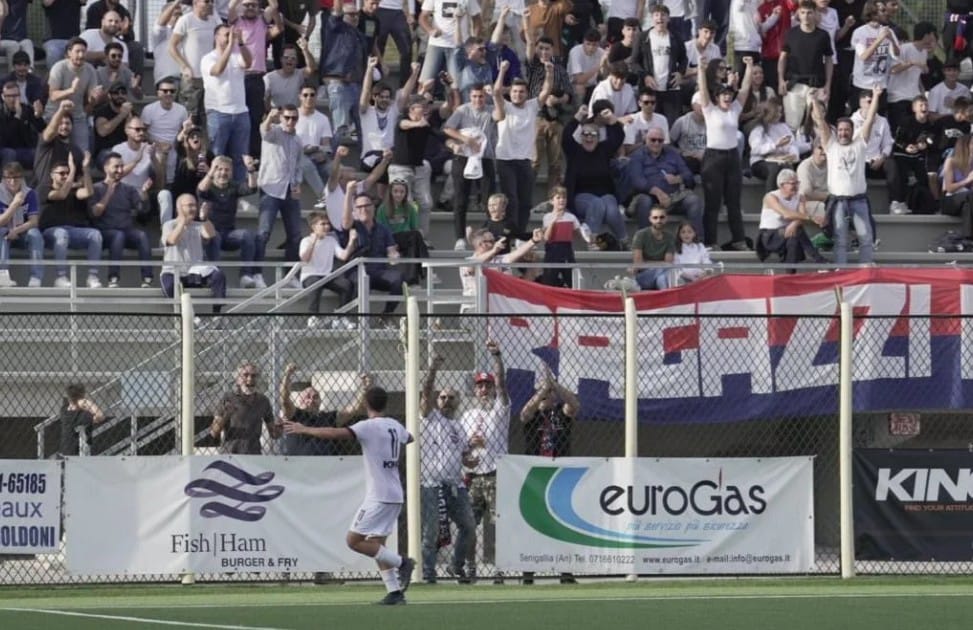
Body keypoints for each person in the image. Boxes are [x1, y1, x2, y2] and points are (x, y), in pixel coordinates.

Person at [282, 385, 416, 606]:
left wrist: (304, 429)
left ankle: (403, 563)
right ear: (386, 404)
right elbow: (408, 438)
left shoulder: (368, 426)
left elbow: (335, 432)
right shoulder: (395, 425)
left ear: (365, 404)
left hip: (379, 495)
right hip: (395, 494)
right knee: (377, 545)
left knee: (353, 541)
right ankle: (394, 592)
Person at [418, 353, 478, 584]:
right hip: (431, 483)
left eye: (451, 397)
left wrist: (470, 461)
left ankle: (456, 566)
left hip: (455, 484)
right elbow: (426, 392)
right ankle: (428, 573)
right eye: (442, 397)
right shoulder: (429, 417)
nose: (446, 400)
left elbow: (464, 456)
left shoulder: (459, 427)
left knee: (469, 527)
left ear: (458, 402)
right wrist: (433, 367)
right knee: (431, 530)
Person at [519, 363, 580, 585]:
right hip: (535, 477)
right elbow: (524, 413)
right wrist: (543, 390)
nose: (547, 397)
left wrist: (555, 385)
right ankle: (528, 571)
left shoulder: (560, 414)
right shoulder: (534, 416)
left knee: (563, 523)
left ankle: (565, 571)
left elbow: (573, 405)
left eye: (550, 394)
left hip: (559, 475)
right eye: (544, 394)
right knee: (532, 523)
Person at [812, 84, 882, 265]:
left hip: (858, 200)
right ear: (837, 131)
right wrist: (813, 100)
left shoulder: (859, 144)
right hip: (838, 201)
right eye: (840, 130)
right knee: (841, 240)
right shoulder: (831, 145)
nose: (843, 133)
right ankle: (840, 272)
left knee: (866, 237)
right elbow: (820, 122)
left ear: (852, 131)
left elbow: (870, 119)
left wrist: (875, 96)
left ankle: (865, 269)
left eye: (847, 130)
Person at [459, 340, 510, 584]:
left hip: (496, 473)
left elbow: (501, 384)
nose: (484, 390)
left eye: (487, 385)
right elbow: (461, 447)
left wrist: (496, 356)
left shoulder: (500, 409)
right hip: (473, 475)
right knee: (469, 524)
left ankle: (500, 569)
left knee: (498, 523)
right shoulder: (467, 415)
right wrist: (469, 448)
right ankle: (470, 567)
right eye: (480, 386)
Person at [697, 53, 754, 250]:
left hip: (732, 158)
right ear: (717, 97)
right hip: (713, 158)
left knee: (733, 202)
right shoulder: (709, 110)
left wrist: (749, 67)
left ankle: (739, 239)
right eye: (724, 95)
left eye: (729, 95)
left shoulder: (735, 110)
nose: (728, 97)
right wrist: (701, 70)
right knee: (713, 203)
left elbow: (745, 89)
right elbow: (703, 90)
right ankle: (711, 241)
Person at [493, 59, 553, 234]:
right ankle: (510, 232)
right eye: (515, 91)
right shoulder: (506, 106)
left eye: (521, 92)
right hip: (506, 160)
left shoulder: (532, 106)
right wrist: (503, 71)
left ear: (526, 94)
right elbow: (496, 91)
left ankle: (520, 232)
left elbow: (546, 90)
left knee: (526, 201)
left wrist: (549, 71)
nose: (518, 95)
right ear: (510, 93)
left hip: (525, 160)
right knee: (511, 198)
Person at [563, 107, 628, 246]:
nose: (589, 137)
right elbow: (566, 136)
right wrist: (578, 116)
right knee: (597, 203)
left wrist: (611, 119)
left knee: (611, 209)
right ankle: (592, 241)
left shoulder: (604, 150)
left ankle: (624, 241)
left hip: (605, 194)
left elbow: (618, 137)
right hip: (581, 196)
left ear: (598, 138)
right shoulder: (574, 151)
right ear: (581, 137)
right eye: (585, 134)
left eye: (593, 134)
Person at [37, 152, 102, 289]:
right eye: (62, 173)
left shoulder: (73, 190)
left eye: (67, 173)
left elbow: (89, 192)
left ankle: (92, 276)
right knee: (61, 233)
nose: (66, 176)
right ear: (52, 175)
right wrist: (73, 170)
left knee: (95, 234)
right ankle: (61, 276)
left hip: (73, 231)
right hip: (51, 233)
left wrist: (85, 169)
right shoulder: (44, 189)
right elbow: (61, 195)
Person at [444, 82, 497, 250]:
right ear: (470, 96)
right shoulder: (462, 110)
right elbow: (447, 128)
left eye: (481, 96)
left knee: (489, 199)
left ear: (485, 96)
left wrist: (495, 95)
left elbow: (501, 114)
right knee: (461, 198)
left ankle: (488, 235)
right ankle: (460, 237)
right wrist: (466, 139)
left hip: (485, 158)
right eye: (474, 96)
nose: (477, 100)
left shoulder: (490, 110)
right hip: (463, 157)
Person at [196, 154, 263, 288]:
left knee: (248, 235)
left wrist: (250, 169)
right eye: (219, 169)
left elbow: (252, 188)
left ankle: (246, 276)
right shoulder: (208, 187)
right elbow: (201, 190)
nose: (223, 173)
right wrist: (211, 171)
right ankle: (214, 277)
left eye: (227, 170)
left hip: (229, 234)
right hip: (211, 235)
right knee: (214, 236)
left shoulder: (233, 186)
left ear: (231, 172)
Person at [341, 181, 405, 320]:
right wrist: (349, 193)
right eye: (360, 207)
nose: (364, 209)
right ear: (355, 211)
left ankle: (386, 316)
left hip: (378, 271)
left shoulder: (383, 229)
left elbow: (391, 251)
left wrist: (394, 255)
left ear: (373, 207)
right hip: (356, 271)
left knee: (398, 278)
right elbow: (345, 222)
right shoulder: (354, 226)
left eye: (367, 205)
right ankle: (356, 320)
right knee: (364, 281)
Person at [89, 152, 153, 288]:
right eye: (116, 167)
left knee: (141, 236)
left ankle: (147, 278)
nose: (120, 170)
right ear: (106, 168)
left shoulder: (128, 189)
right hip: (106, 232)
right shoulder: (96, 188)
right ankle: (113, 278)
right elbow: (95, 213)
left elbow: (142, 210)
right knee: (118, 236)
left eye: (121, 167)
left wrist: (144, 194)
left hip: (126, 230)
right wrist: (109, 193)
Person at [230, 0, 283, 159]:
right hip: (237, 77)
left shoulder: (262, 23)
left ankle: (253, 155)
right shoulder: (235, 21)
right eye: (246, 4)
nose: (250, 7)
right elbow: (232, 6)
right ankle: (236, 154)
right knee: (237, 118)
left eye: (253, 4)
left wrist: (272, 11)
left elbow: (274, 10)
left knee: (255, 117)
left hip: (257, 78)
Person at [627, 127, 703, 235]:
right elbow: (637, 180)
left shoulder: (672, 154)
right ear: (646, 140)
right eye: (653, 140)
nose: (657, 143)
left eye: (660, 140)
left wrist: (678, 178)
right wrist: (658, 192)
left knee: (693, 200)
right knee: (644, 201)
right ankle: (645, 241)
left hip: (673, 198)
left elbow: (688, 175)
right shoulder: (638, 155)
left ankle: (697, 243)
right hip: (649, 198)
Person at [257, 105, 304, 282]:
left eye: (294, 118)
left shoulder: (298, 140)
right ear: (281, 118)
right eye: (287, 117)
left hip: (290, 191)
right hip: (270, 189)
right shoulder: (274, 132)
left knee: (295, 235)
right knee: (263, 233)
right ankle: (256, 274)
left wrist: (297, 183)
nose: (291, 121)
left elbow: (299, 164)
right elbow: (264, 130)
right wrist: (270, 117)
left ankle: (290, 276)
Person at [279, 364, 368, 456]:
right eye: (307, 397)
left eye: (316, 397)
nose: (311, 400)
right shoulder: (295, 415)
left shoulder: (328, 417)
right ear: (300, 400)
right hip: (298, 464)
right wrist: (288, 375)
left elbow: (353, 409)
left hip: (326, 464)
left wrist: (364, 390)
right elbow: (284, 399)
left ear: (321, 401)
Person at [201, 24, 253, 182]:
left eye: (231, 34)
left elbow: (248, 63)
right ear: (216, 37)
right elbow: (217, 70)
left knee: (240, 157)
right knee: (217, 156)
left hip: (240, 112)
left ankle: (238, 192)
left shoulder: (235, 56)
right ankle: (213, 193)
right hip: (218, 112)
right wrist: (231, 45)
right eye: (226, 34)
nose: (230, 37)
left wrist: (241, 43)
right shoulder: (208, 58)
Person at [160, 193, 227, 312]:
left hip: (194, 271)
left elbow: (210, 235)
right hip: (174, 272)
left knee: (218, 276)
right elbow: (171, 240)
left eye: (195, 206)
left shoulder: (199, 225)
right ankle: (187, 315)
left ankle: (217, 314)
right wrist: (182, 223)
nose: (193, 209)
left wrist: (205, 219)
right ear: (179, 208)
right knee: (168, 286)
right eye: (189, 206)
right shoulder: (169, 225)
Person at [778, 0, 833, 133]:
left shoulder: (823, 35)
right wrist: (780, 80)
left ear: (815, 14)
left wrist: (827, 85)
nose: (806, 16)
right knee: (792, 124)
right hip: (794, 84)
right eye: (803, 12)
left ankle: (819, 153)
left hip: (816, 84)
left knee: (818, 125)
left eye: (809, 13)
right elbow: (782, 58)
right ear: (798, 14)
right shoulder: (790, 34)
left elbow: (829, 60)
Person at [756, 168, 826, 267]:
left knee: (794, 236)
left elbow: (801, 216)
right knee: (797, 232)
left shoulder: (800, 197)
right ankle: (819, 260)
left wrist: (794, 223)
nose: (796, 186)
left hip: (788, 232)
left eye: (797, 183)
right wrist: (811, 217)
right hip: (769, 235)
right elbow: (786, 214)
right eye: (792, 184)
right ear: (781, 185)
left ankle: (790, 273)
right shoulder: (771, 197)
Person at [630, 4, 687, 126]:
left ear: (668, 18)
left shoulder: (676, 37)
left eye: (663, 15)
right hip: (650, 90)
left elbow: (684, 59)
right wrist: (645, 76)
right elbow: (633, 62)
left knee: (671, 125)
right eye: (656, 15)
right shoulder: (642, 37)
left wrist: (680, 73)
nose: (660, 18)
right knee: (649, 126)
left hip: (671, 89)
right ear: (652, 18)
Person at [320, 2, 369, 141]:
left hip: (357, 85)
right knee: (340, 128)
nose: (355, 17)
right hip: (339, 84)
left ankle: (363, 161)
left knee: (362, 129)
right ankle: (335, 161)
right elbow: (335, 12)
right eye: (351, 14)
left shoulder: (359, 34)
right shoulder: (335, 27)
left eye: (357, 14)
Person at [300, 211, 357, 329]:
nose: (327, 227)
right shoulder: (305, 241)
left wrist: (351, 241)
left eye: (327, 224)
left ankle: (341, 317)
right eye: (323, 224)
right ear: (313, 226)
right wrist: (313, 241)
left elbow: (343, 256)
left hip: (327, 276)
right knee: (315, 283)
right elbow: (305, 258)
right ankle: (313, 317)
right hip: (310, 275)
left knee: (346, 285)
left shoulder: (331, 240)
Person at [45, 37, 100, 153]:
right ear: (69, 53)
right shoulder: (59, 67)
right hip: (55, 113)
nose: (81, 55)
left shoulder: (90, 70)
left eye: (83, 52)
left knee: (84, 151)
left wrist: (94, 98)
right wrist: (71, 90)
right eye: (77, 51)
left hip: (77, 115)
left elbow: (91, 101)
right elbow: (53, 95)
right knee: (52, 150)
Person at [210, 361, 277, 454]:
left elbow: (274, 434)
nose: (250, 379)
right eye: (245, 375)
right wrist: (226, 415)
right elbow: (214, 432)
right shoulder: (228, 398)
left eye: (253, 376)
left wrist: (279, 429)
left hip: (253, 454)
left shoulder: (263, 401)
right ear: (238, 379)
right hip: (231, 454)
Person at [169, 0, 222, 119]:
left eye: (212, 2)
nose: (210, 4)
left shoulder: (214, 22)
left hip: (209, 79)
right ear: (195, 3)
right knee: (189, 117)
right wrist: (184, 66)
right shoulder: (186, 20)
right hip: (191, 80)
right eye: (206, 1)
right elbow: (172, 46)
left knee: (207, 118)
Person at [377, 179, 431, 285]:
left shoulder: (409, 208)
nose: (399, 194)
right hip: (391, 240)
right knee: (415, 236)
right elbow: (382, 231)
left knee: (415, 240)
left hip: (408, 239)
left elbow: (414, 227)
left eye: (402, 192)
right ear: (390, 192)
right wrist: (391, 245)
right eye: (396, 191)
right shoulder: (382, 209)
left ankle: (412, 279)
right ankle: (426, 267)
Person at [748, 98, 806, 192]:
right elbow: (756, 150)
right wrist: (775, 145)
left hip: (781, 160)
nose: (779, 115)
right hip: (760, 162)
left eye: (780, 112)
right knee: (775, 168)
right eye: (777, 112)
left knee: (789, 167)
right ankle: (770, 200)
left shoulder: (783, 126)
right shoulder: (759, 128)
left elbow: (792, 145)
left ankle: (789, 198)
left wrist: (793, 154)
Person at [0, 161, 42, 287]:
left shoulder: (29, 193)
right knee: (2, 232)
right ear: (3, 178)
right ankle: (3, 275)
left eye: (16, 178)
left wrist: (16, 230)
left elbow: (34, 221)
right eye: (8, 178)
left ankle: (36, 277)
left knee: (35, 234)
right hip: (4, 233)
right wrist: (14, 205)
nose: (12, 181)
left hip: (22, 232)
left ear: (22, 178)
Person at [142, 77, 190, 186]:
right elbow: (142, 133)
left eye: (172, 91)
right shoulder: (149, 110)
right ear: (158, 93)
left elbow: (182, 133)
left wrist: (185, 131)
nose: (168, 93)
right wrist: (158, 144)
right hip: (153, 148)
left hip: (175, 147)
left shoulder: (181, 110)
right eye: (165, 91)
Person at [539, 186, 582, 287]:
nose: (561, 200)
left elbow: (578, 235)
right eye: (558, 198)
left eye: (564, 198)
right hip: (552, 252)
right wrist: (553, 222)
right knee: (549, 281)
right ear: (551, 201)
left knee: (572, 281)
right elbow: (546, 237)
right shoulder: (547, 217)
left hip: (566, 251)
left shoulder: (571, 217)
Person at [0, 79, 43, 169]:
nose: (12, 99)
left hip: (24, 150)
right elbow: (5, 138)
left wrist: (38, 117)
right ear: (3, 97)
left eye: (15, 95)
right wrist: (17, 116)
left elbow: (42, 129)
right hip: (5, 150)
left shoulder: (27, 109)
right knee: (10, 153)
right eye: (9, 96)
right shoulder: (1, 113)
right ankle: (5, 181)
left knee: (40, 153)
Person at [631, 205, 675, 290]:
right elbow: (638, 263)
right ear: (650, 219)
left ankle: (665, 300)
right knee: (664, 271)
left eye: (662, 217)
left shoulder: (670, 236)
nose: (659, 220)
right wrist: (660, 264)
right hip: (643, 276)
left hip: (662, 273)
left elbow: (668, 262)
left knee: (662, 278)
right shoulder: (641, 235)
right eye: (655, 218)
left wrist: (647, 262)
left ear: (666, 219)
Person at [57, 383, 105, 457]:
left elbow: (68, 400)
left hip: (64, 453)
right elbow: (100, 416)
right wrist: (87, 402)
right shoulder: (81, 415)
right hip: (76, 455)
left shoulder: (64, 410)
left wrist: (78, 402)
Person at [941, 134, 973, 236]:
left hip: (968, 202)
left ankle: (968, 238)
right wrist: (967, 180)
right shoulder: (951, 162)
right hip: (951, 201)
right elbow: (949, 188)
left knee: (967, 205)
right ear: (965, 146)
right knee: (970, 197)